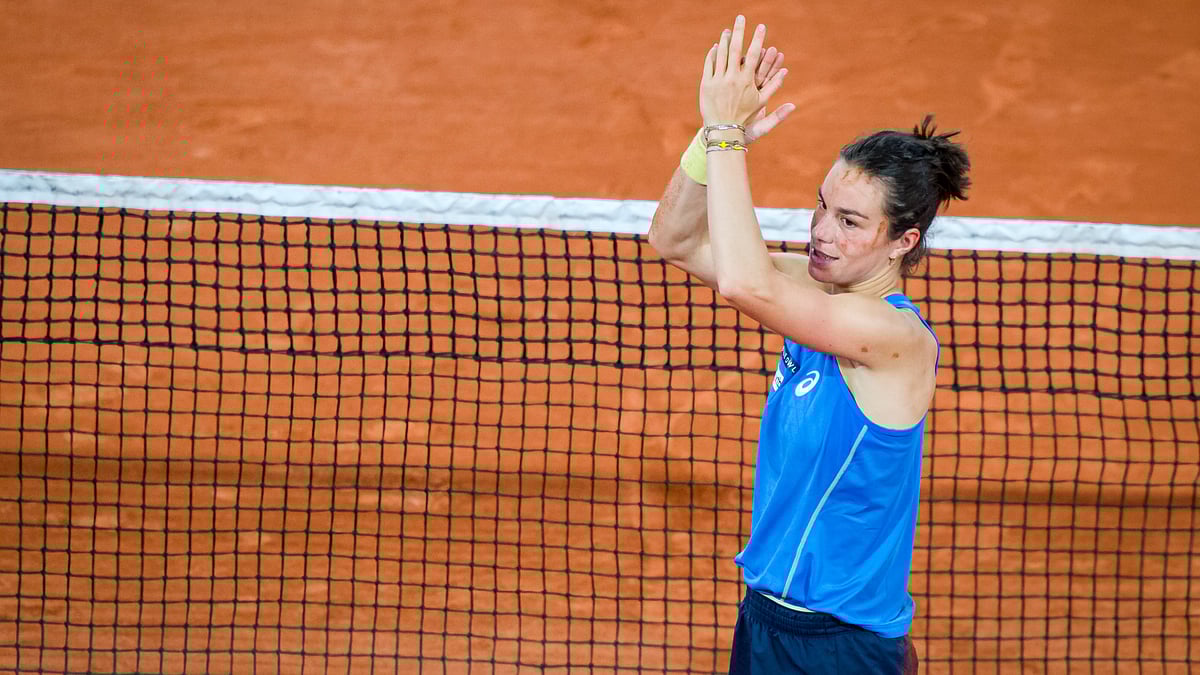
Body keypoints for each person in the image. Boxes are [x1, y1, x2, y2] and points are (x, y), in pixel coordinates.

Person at [647, 15, 971, 675]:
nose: (821, 231)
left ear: (903, 241)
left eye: (849, 221)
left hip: (838, 644)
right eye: (821, 205)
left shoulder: (894, 338)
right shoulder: (815, 289)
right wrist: (706, 147)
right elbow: (677, 241)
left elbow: (742, 279)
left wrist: (728, 133)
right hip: (764, 616)